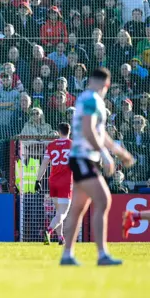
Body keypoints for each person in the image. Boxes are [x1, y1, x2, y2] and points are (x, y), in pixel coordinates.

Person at [63, 68, 135, 266]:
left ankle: (67, 255)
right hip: (84, 158)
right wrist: (105, 155)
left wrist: (121, 153)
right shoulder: (92, 100)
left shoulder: (89, 98)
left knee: (77, 208)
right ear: (107, 84)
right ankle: (102, 254)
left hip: (83, 158)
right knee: (103, 200)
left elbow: (101, 134)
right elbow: (88, 130)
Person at [36, 123, 73, 246]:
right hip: (65, 182)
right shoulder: (72, 145)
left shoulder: (51, 145)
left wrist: (38, 180)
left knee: (58, 212)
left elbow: (44, 164)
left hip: (53, 181)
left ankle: (60, 238)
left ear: (58, 132)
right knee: (63, 213)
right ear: (69, 131)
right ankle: (48, 230)